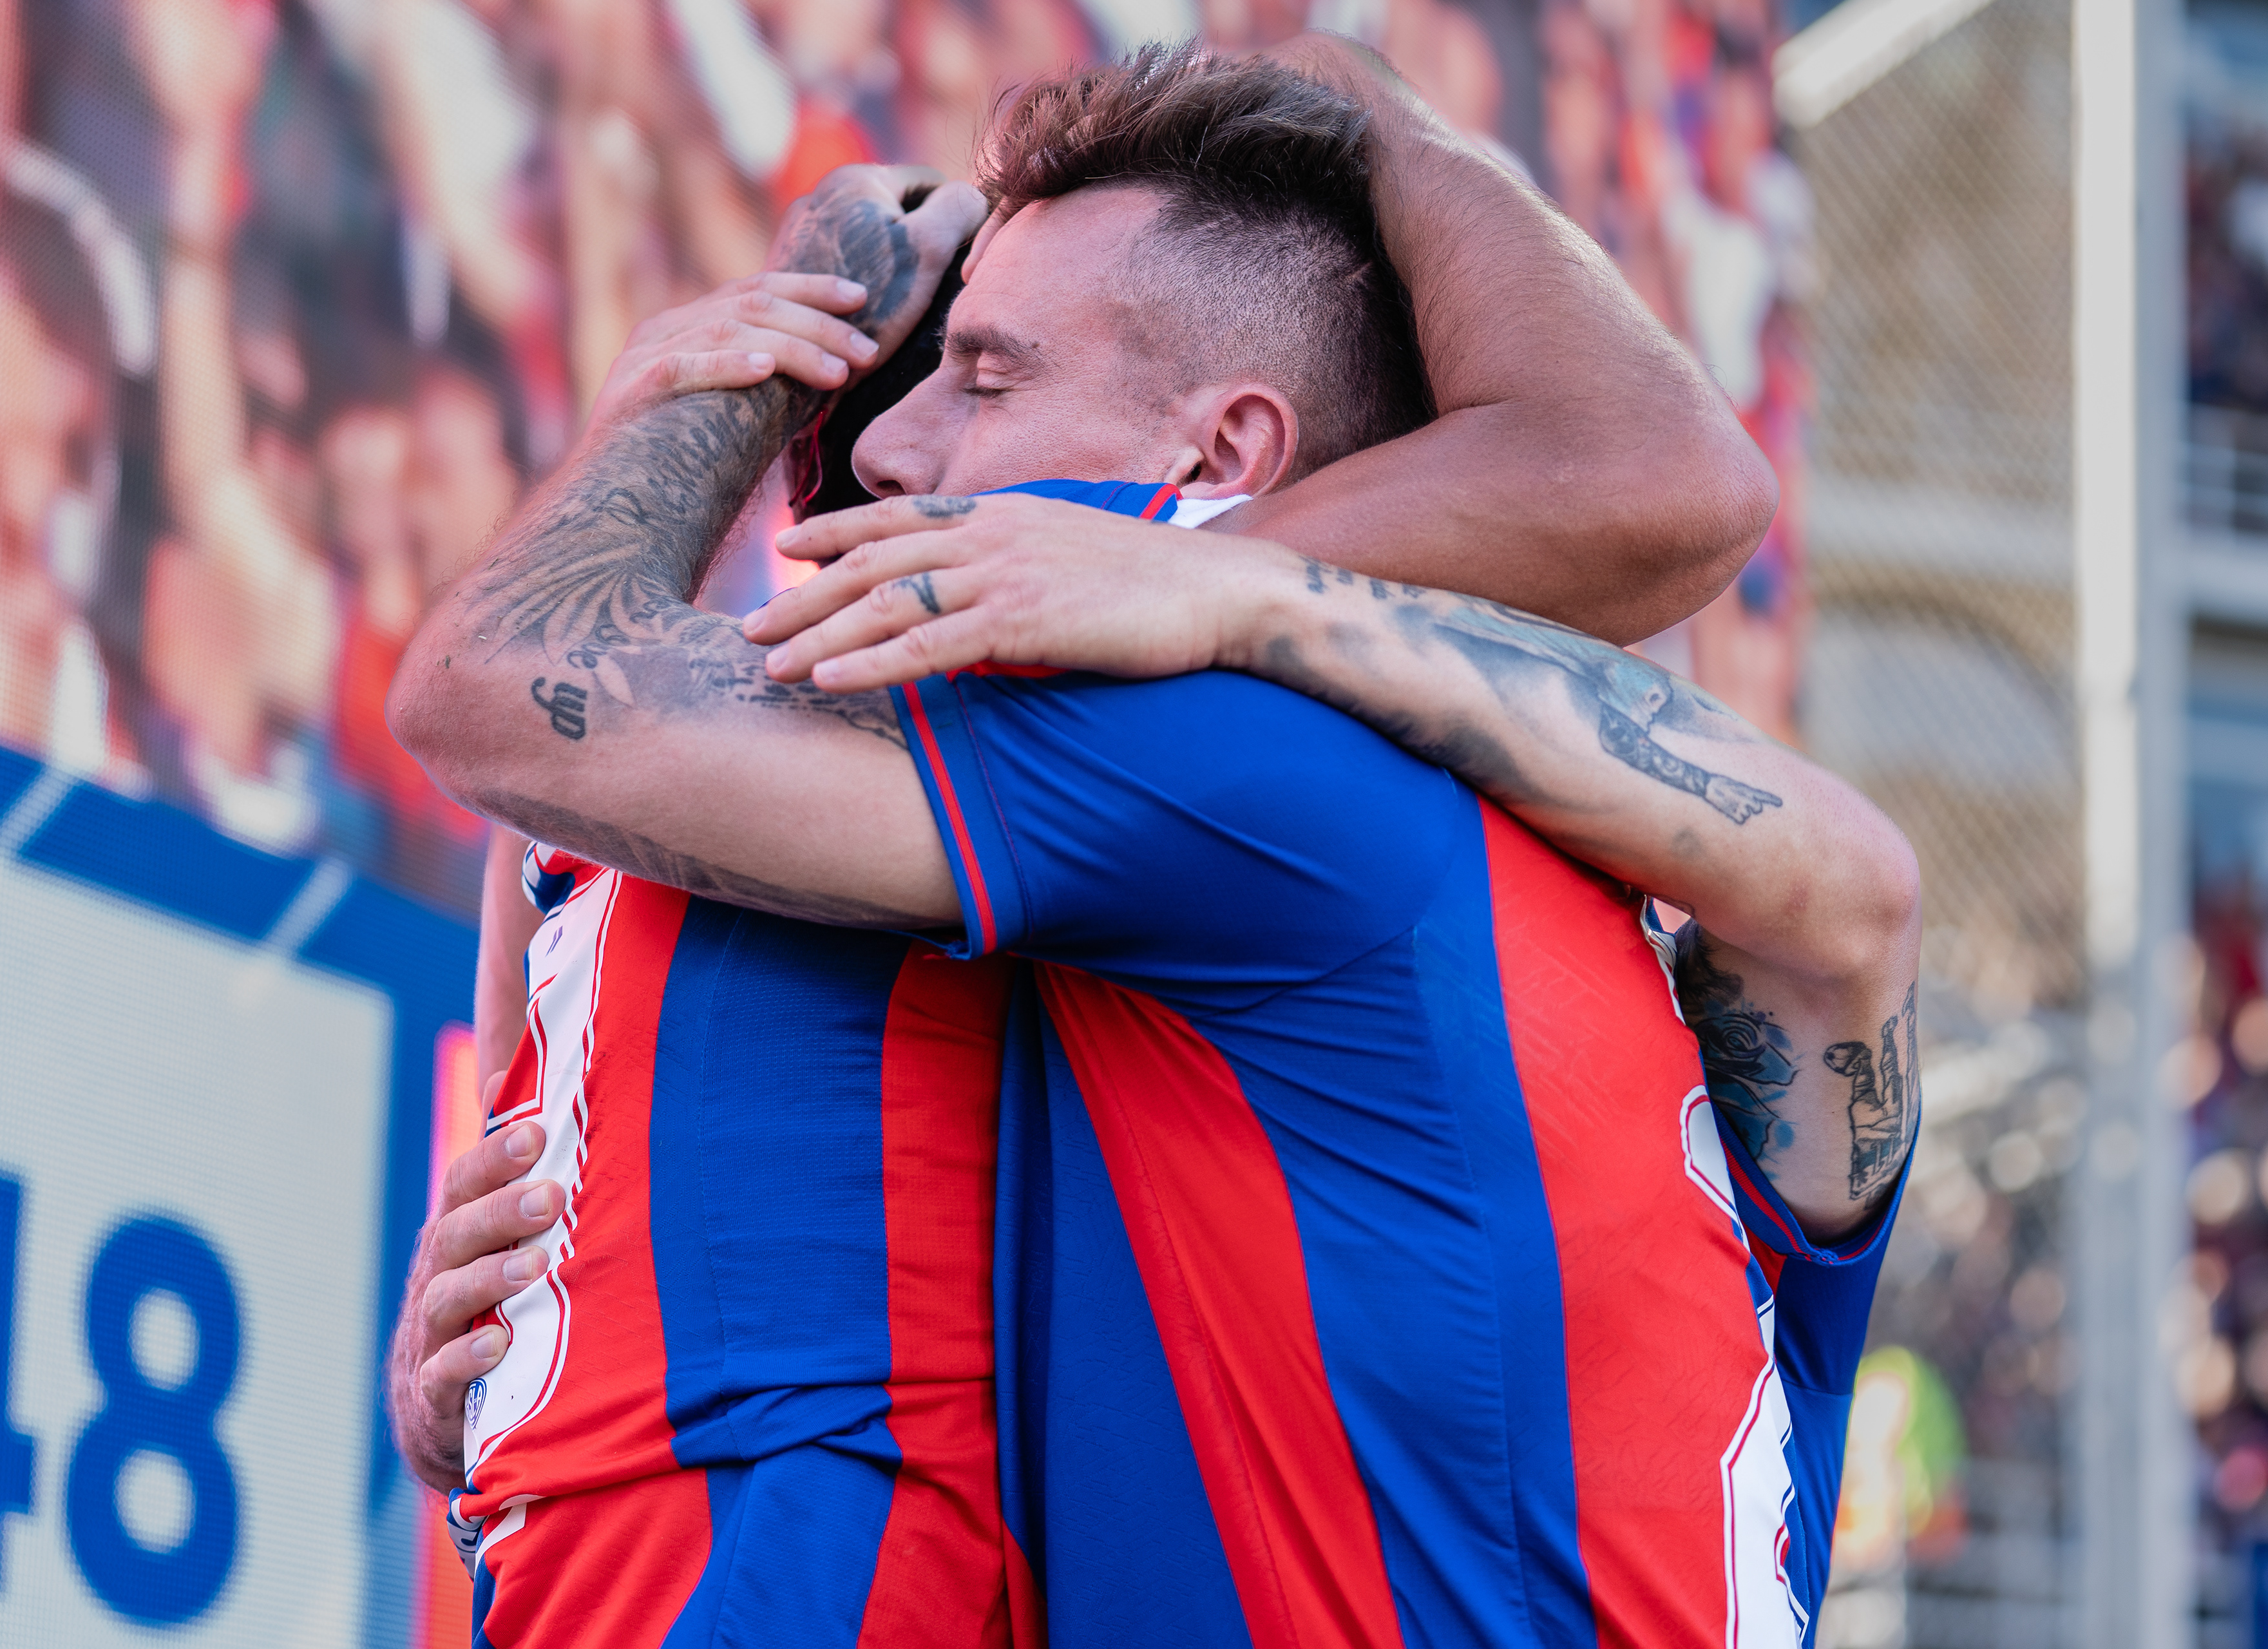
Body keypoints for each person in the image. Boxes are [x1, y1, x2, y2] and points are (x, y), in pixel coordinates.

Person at [387, 39, 1894, 1649]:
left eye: (985, 375)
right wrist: (521, 1301)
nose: (891, 447)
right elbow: (1855, 895)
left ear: (1215, 462)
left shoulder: (1188, 748)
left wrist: (752, 362)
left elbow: (506, 700)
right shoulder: (1542, 891)